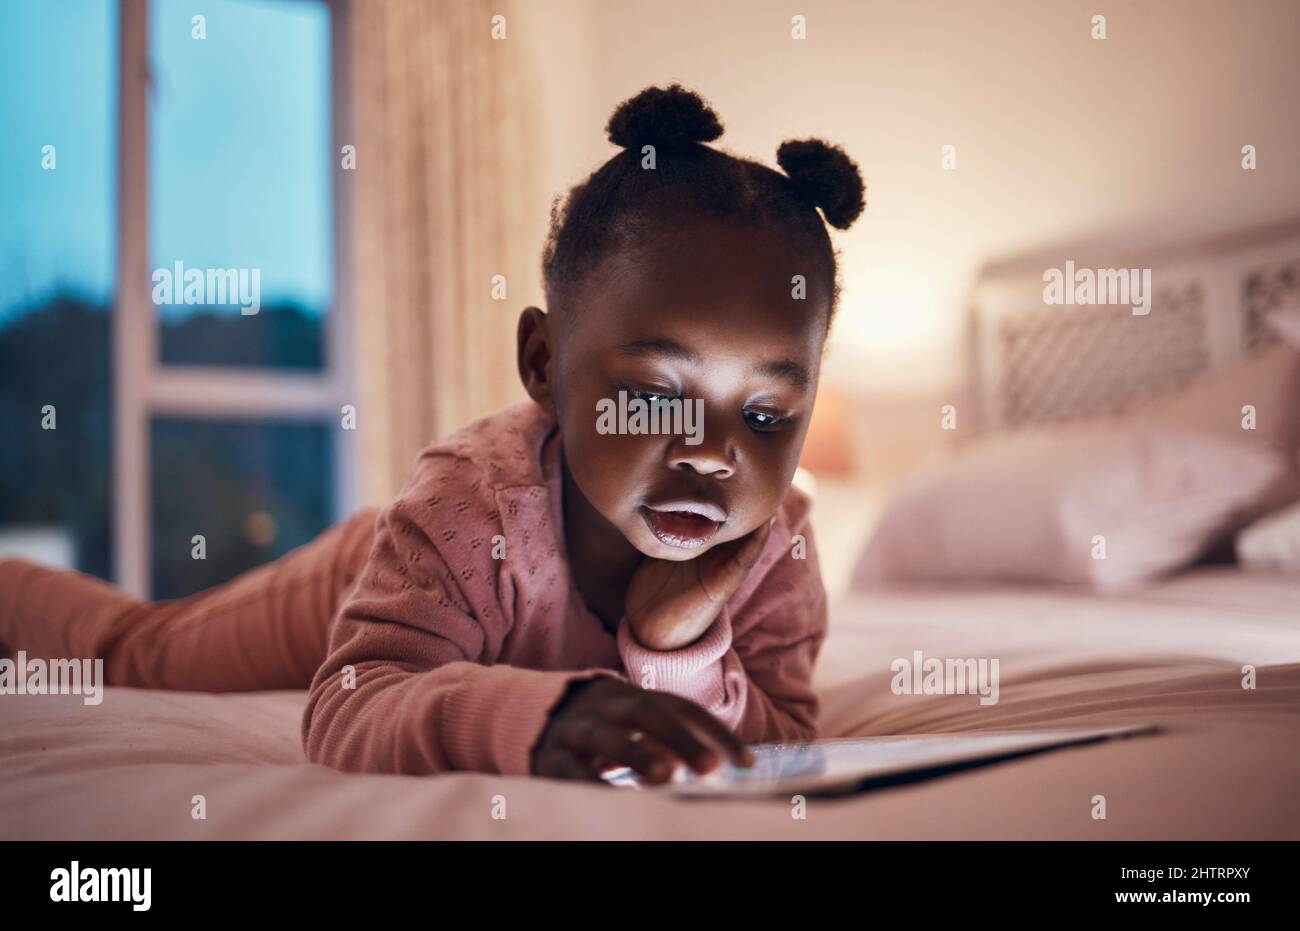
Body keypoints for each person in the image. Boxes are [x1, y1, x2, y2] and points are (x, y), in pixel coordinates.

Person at [0, 83, 866, 785]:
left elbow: (784, 735)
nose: (713, 451)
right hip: (391, 570)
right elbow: (353, 698)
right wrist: (533, 715)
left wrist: (677, 645)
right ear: (542, 364)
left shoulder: (775, 556)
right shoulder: (472, 507)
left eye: (764, 415)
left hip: (460, 593)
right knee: (143, 654)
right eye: (653, 392)